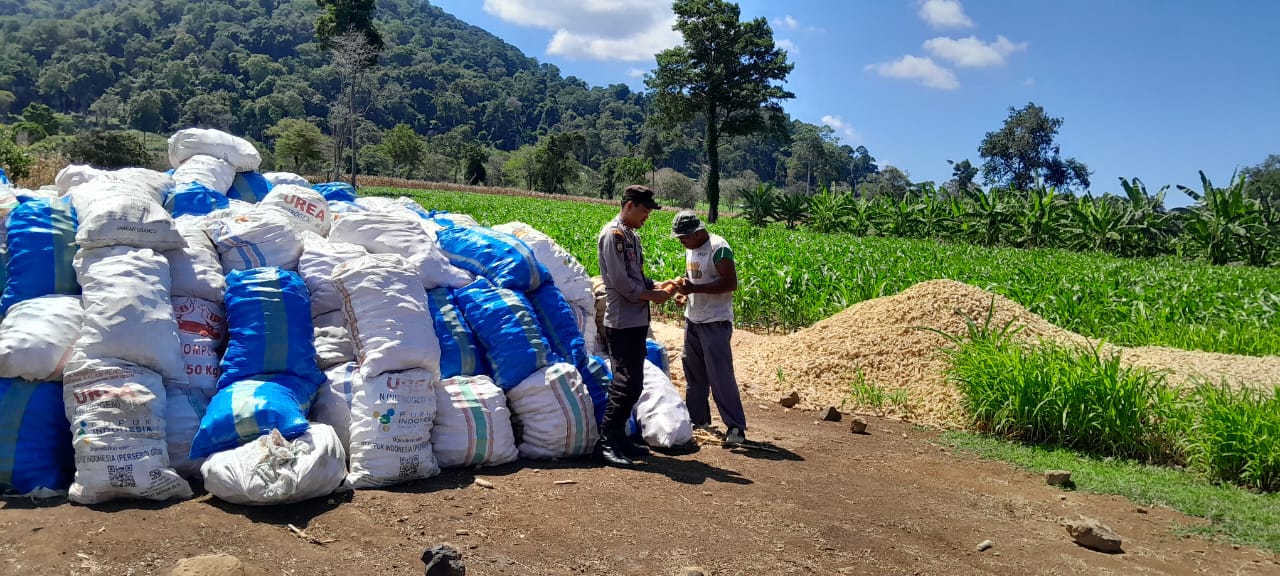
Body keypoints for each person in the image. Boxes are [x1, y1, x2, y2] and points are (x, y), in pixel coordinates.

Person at [595, 184, 674, 467]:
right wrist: (652, 295)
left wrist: (658, 285)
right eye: (644, 211)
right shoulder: (613, 235)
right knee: (624, 383)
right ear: (629, 206)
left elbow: (636, 277)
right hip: (622, 322)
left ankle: (619, 438)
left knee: (634, 383)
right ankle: (606, 442)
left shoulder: (631, 236)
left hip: (637, 320)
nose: (646, 217)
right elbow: (620, 282)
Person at [671, 210, 748, 447]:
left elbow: (730, 283)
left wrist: (694, 289)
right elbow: (692, 278)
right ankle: (697, 421)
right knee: (694, 374)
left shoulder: (718, 248)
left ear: (698, 232)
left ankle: (735, 427)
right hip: (693, 319)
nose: (681, 241)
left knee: (720, 376)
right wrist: (685, 294)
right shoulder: (691, 248)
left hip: (715, 320)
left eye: (684, 237)